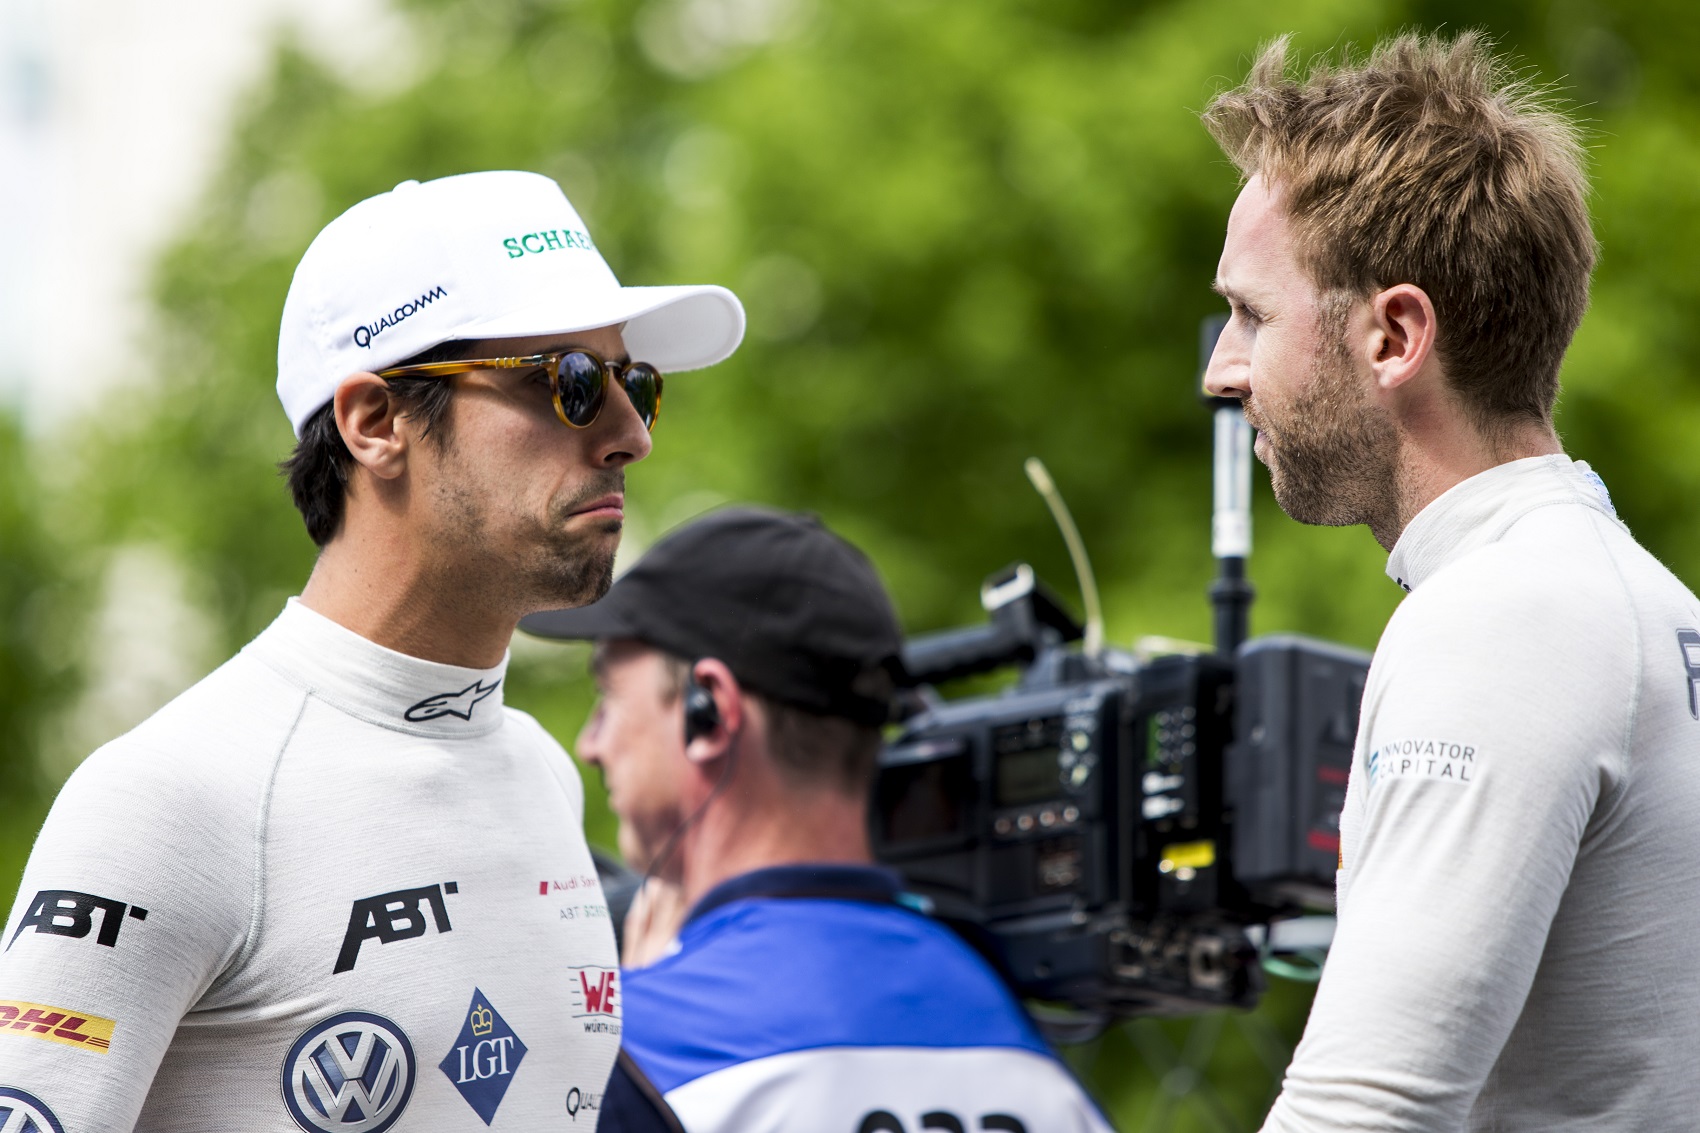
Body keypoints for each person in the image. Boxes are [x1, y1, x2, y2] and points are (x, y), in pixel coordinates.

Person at [0, 170, 744, 1132]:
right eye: (564, 381)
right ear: (375, 422)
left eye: (634, 381)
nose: (630, 433)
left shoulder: (541, 773)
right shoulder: (170, 801)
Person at [1199, 32, 1700, 1132]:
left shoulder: (1500, 618)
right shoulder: (1642, 603)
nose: (1219, 369)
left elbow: (1364, 1108)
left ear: (1392, 334)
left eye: (1252, 313)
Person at [522, 506, 1113, 1133]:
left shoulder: (625, 1053)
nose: (592, 743)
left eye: (609, 695)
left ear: (712, 712)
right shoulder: (1035, 1055)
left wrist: (629, 1013)